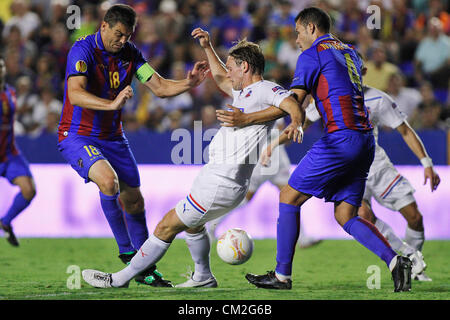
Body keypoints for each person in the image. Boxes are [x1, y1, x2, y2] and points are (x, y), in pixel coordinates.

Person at [81, 28, 305, 289]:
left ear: (245, 66)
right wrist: (208, 47)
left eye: (232, 66)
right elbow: (221, 77)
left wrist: (296, 123)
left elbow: (290, 103)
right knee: (194, 227)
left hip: (222, 183)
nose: (228, 71)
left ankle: (119, 279)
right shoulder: (245, 92)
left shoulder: (266, 89)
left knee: (166, 226)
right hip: (216, 178)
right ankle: (202, 277)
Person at [217, 7, 412, 292]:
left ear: (311, 28)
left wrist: (247, 118)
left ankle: (282, 276)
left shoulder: (312, 54)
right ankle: (396, 261)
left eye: (297, 32)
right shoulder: (350, 52)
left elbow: (293, 100)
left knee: (288, 196)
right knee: (347, 215)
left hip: (340, 139)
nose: (296, 40)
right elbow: (332, 89)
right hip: (365, 140)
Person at [57, 4, 208, 287]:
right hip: (77, 135)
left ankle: (146, 268)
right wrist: (112, 104)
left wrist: (189, 83)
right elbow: (75, 94)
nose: (123, 40)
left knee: (135, 201)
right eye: (119, 34)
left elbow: (160, 87)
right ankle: (128, 253)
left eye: (128, 35)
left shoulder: (131, 53)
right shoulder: (83, 50)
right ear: (103, 26)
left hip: (113, 137)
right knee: (108, 181)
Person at [304, 57, 441, 280]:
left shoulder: (379, 99)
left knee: (415, 217)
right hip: (348, 170)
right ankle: (406, 255)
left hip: (377, 167)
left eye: (353, 71)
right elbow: (304, 121)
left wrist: (427, 163)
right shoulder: (328, 96)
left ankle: (413, 258)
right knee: (363, 215)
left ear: (363, 71)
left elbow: (405, 130)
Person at [207, 118, 322, 249]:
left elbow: (283, 133)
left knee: (291, 198)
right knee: (246, 199)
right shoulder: (265, 107)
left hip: (277, 160)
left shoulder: (276, 106)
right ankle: (212, 225)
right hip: (261, 160)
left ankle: (302, 237)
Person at [0, 57, 36, 247]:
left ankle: (5, 222)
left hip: (9, 153)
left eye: (1, 67)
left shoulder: (11, 93)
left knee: (29, 190)